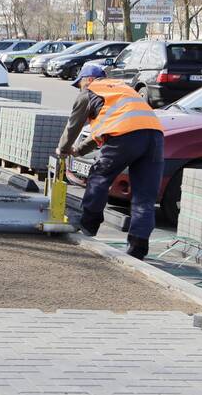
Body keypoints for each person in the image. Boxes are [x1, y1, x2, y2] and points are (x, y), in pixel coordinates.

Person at [56, 63, 164, 260]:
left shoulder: (89, 92)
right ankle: (138, 248)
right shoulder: (123, 89)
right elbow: (106, 129)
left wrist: (63, 150)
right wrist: (79, 151)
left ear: (87, 79)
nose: (80, 88)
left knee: (99, 176)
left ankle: (89, 224)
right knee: (144, 196)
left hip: (126, 136)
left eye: (79, 83)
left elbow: (73, 126)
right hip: (155, 137)